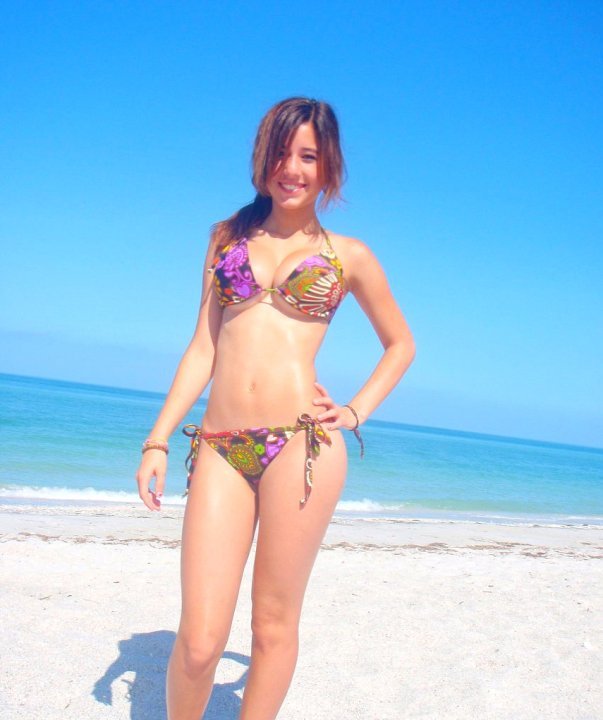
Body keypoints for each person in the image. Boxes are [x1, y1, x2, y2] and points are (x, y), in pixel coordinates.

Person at [135, 96, 416, 720]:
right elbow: (204, 346)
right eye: (282, 154)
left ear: (329, 166)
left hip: (303, 445)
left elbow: (401, 344)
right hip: (220, 445)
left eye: (308, 156)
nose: (293, 169)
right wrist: (157, 440)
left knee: (272, 624)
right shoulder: (226, 237)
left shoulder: (349, 255)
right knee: (200, 640)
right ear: (263, 159)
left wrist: (355, 410)